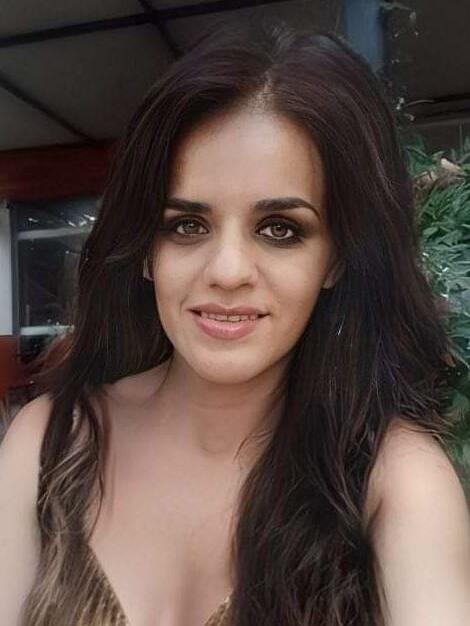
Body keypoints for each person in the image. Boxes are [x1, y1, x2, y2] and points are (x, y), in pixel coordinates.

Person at [1, 19, 469, 626]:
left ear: (336, 260)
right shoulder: (50, 443)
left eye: (280, 230)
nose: (226, 271)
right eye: (186, 225)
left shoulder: (393, 484)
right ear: (145, 250)